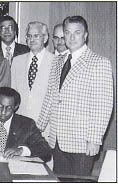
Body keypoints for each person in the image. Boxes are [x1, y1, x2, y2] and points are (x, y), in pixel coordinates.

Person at [37, 16, 113, 176]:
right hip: (57, 140)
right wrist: (37, 128)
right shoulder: (58, 61)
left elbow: (103, 105)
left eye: (77, 33)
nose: (71, 37)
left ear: (85, 35)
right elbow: (50, 97)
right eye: (67, 33)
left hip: (82, 142)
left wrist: (94, 139)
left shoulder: (99, 63)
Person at [11, 21, 54, 139]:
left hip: (46, 129)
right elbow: (13, 95)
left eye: (36, 36)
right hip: (20, 127)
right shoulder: (17, 61)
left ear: (45, 38)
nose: (32, 39)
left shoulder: (55, 62)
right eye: (29, 36)